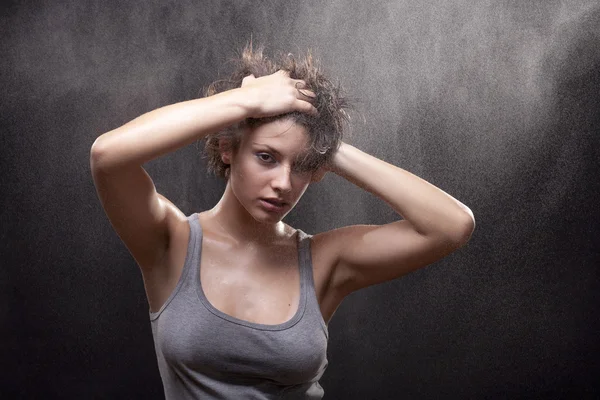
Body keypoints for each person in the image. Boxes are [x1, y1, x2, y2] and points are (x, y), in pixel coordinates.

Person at [90, 42, 475, 399]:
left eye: (303, 166)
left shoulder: (324, 261)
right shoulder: (171, 243)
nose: (283, 184)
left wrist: (329, 145)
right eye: (267, 157)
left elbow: (451, 225)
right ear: (228, 149)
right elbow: (108, 155)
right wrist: (244, 100)